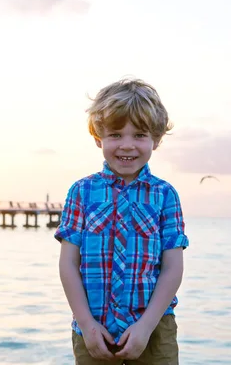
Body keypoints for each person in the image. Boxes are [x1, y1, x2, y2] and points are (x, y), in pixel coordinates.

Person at [54, 77, 189, 364]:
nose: (127, 145)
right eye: (116, 135)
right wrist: (87, 325)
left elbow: (172, 268)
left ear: (156, 139)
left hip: (153, 328)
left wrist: (146, 326)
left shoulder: (165, 195)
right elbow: (68, 264)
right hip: (94, 328)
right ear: (98, 137)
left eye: (139, 135)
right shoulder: (82, 192)